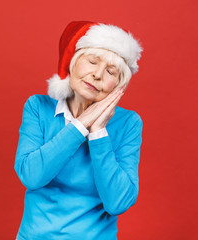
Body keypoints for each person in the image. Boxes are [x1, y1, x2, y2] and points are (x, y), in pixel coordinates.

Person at [14, 21, 144, 240]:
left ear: (119, 86)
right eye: (92, 61)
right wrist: (80, 125)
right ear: (72, 63)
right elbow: (31, 176)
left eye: (110, 71)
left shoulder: (128, 122)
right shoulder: (38, 106)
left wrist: (98, 132)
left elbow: (117, 203)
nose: (97, 75)